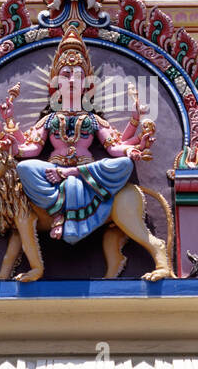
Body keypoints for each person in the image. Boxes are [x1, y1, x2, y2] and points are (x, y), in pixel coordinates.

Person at [8, 27, 153, 242]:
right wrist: (13, 144)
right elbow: (32, 149)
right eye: (66, 75)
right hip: (53, 171)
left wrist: (131, 148)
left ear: (87, 84)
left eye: (78, 75)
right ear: (56, 83)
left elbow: (113, 147)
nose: (73, 80)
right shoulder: (49, 119)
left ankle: (71, 179)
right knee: (24, 167)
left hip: (86, 172)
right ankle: (58, 210)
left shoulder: (93, 120)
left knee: (124, 165)